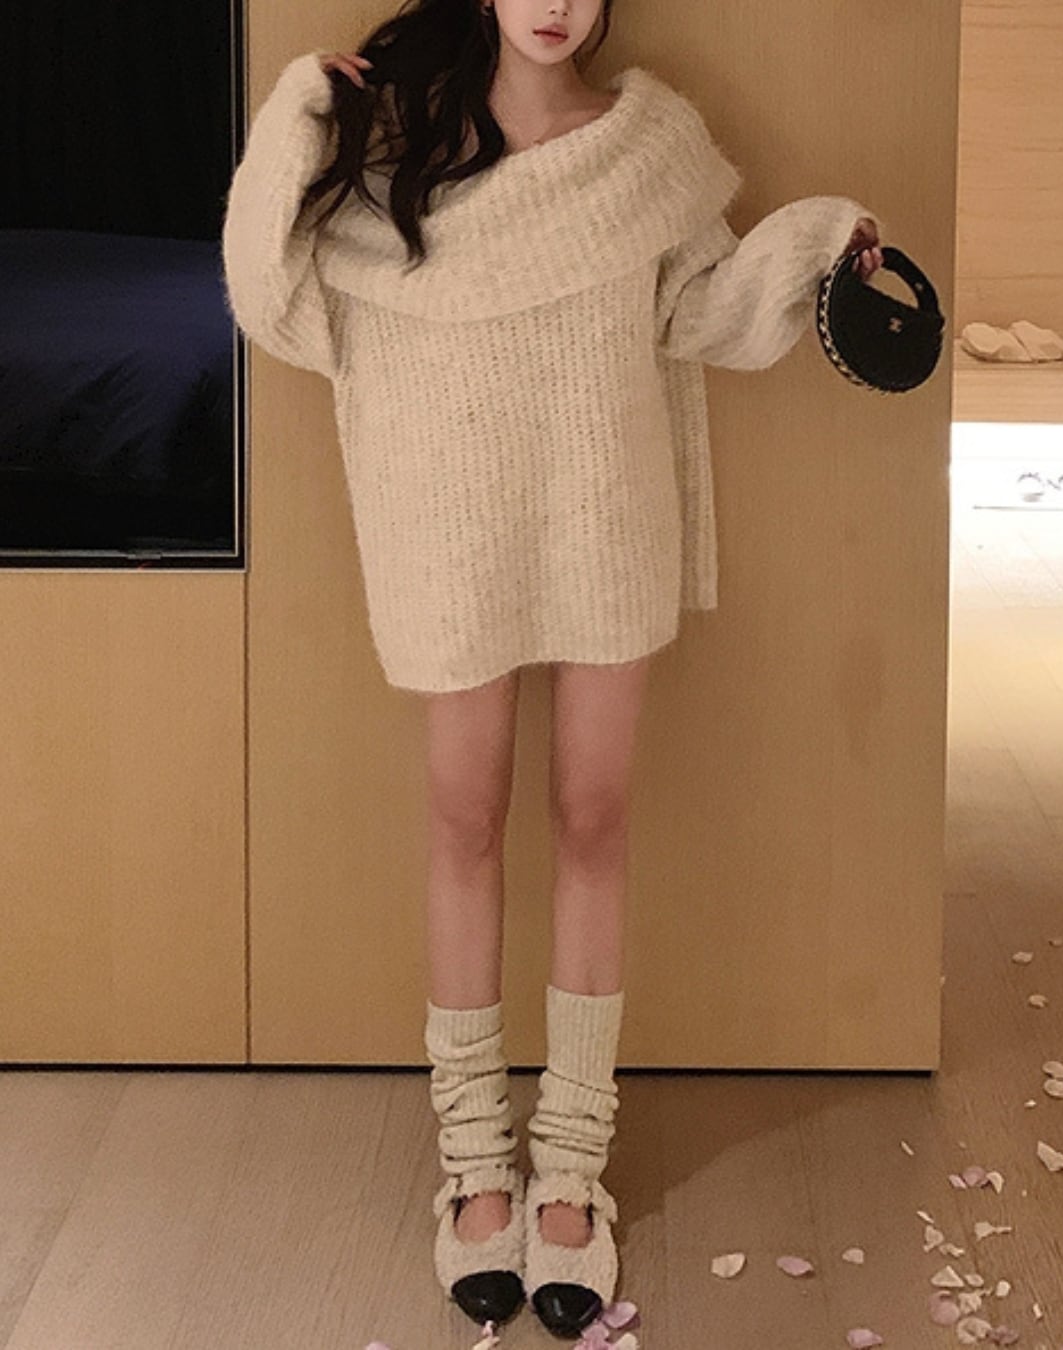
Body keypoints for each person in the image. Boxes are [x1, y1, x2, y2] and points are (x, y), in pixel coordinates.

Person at [221, 0, 884, 1338]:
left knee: (593, 818)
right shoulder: (397, 147)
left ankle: (571, 1168)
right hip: (449, 535)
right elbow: (269, 298)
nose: (555, 2)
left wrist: (818, 243)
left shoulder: (646, 142)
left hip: (605, 519)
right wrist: (298, 107)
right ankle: (476, 1164)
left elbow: (703, 310)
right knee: (463, 819)